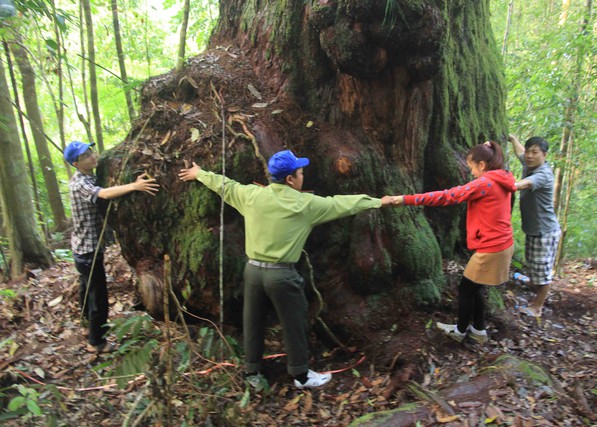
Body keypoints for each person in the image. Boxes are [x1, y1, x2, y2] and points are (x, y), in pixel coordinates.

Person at [178, 150, 393, 388]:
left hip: (253, 272)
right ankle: (301, 375)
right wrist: (378, 201)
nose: (303, 176)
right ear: (290, 179)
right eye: (300, 173)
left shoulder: (252, 196)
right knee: (294, 323)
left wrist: (199, 173)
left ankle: (252, 373)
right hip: (281, 275)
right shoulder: (305, 204)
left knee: (253, 322)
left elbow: (225, 186)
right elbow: (341, 204)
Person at [389, 141, 516, 343]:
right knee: (475, 288)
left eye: (472, 167)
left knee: (466, 288)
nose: (471, 172)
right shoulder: (503, 179)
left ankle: (460, 331)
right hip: (501, 244)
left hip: (492, 247)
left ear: (482, 165)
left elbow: (447, 196)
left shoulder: (484, 183)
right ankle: (479, 331)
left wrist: (405, 199)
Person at [64, 141, 159, 353]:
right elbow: (104, 194)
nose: (92, 156)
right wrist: (134, 186)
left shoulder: (89, 176)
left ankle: (86, 324)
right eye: (85, 156)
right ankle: (96, 342)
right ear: (75, 164)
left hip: (85, 248)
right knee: (98, 295)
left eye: (91, 152)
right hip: (87, 250)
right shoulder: (79, 183)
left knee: (86, 289)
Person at [508, 134, 561, 318]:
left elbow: (523, 184)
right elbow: (521, 152)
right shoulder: (529, 163)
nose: (529, 155)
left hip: (544, 232)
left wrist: (506, 184)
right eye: (529, 152)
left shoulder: (543, 174)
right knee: (534, 264)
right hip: (534, 229)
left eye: (535, 152)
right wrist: (513, 138)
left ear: (544, 155)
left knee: (543, 271)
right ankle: (532, 282)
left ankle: (537, 307)